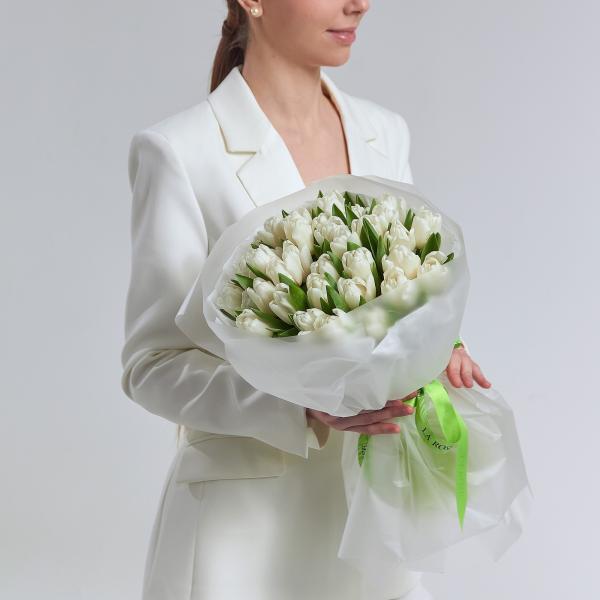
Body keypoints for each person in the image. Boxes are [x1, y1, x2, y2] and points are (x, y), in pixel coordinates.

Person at [120, 1, 492, 599]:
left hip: (371, 527)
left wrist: (436, 349)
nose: (358, 3)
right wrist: (299, 405)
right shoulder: (180, 150)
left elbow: (404, 293)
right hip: (244, 532)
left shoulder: (383, 133)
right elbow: (152, 366)